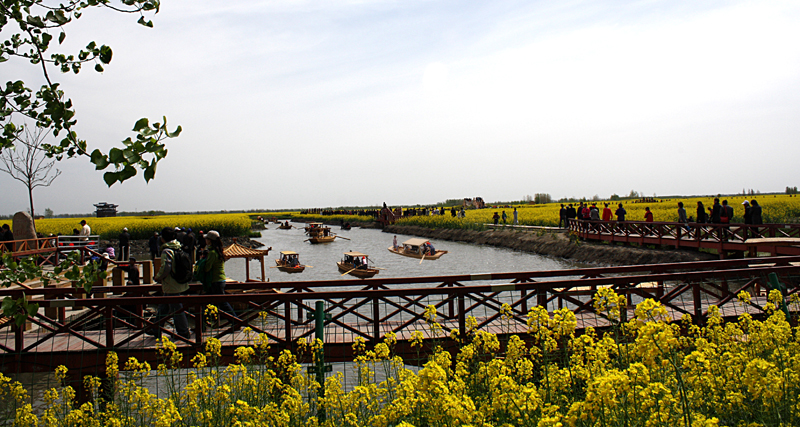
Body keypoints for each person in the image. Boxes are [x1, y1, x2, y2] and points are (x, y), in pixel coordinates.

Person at [146, 227, 190, 340]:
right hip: (179, 281)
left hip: (171, 283)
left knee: (177, 308)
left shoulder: (166, 250)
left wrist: (158, 277)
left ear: (162, 238)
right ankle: (156, 328)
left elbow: (166, 267)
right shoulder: (178, 247)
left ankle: (184, 332)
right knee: (164, 307)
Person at [201, 230, 236, 319]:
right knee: (208, 303)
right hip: (220, 280)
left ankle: (236, 321)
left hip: (215, 281)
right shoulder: (219, 251)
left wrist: (202, 262)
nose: (205, 240)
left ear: (210, 240)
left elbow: (207, 268)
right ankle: (202, 325)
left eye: (206, 239)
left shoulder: (212, 253)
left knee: (221, 303)